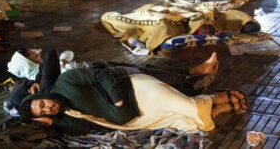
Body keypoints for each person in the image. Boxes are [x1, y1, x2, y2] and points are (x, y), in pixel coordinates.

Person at [14, 50, 247, 136]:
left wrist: (116, 98)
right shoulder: (66, 118)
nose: (48, 108)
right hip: (137, 114)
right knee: (186, 121)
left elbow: (51, 55)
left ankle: (218, 96)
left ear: (40, 96)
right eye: (43, 112)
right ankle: (220, 104)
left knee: (171, 85)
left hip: (132, 86)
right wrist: (50, 121)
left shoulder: (59, 82)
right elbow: (85, 127)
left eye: (43, 104)